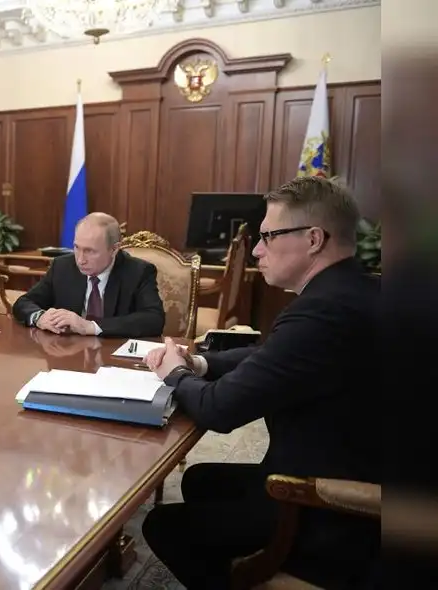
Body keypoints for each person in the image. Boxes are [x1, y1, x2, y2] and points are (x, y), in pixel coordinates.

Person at [141, 176, 380, 589]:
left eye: (268, 236)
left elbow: (220, 410)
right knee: (200, 479)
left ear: (313, 239)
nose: (255, 249)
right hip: (353, 460)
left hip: (330, 507)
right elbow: (271, 356)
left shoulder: (322, 314)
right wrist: (199, 363)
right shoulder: (355, 291)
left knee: (164, 525)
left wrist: (173, 373)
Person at [11, 212, 165, 338]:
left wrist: (90, 326)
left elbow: (154, 319)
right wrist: (40, 318)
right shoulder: (62, 266)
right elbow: (23, 303)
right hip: (67, 356)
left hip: (113, 358)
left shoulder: (138, 272)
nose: (80, 259)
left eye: (90, 251)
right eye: (77, 247)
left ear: (114, 249)